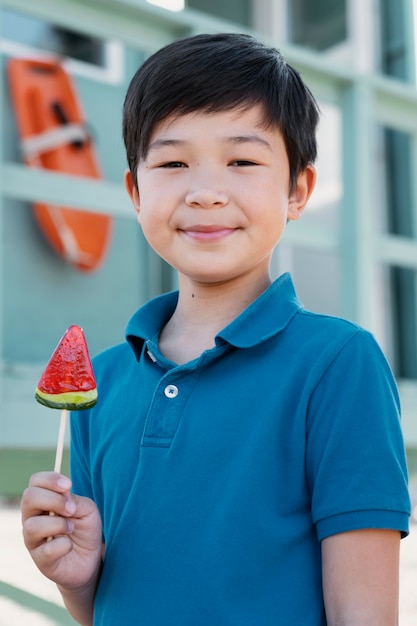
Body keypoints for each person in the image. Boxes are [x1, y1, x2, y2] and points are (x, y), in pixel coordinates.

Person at [21, 33, 410, 625]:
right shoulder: (101, 381)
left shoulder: (337, 364)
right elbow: (114, 608)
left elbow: (365, 615)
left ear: (297, 191)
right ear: (134, 190)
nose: (205, 193)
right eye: (173, 163)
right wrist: (78, 582)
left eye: (243, 161)